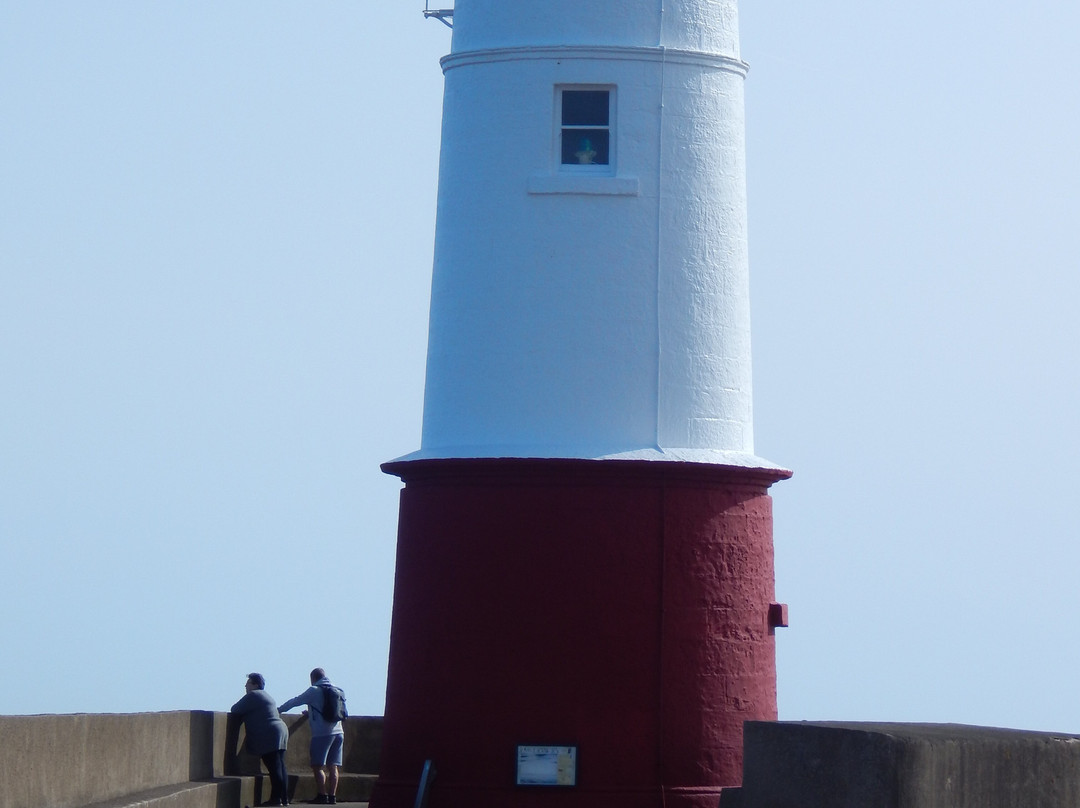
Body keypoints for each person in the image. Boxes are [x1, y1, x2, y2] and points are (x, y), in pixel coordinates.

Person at [278, 668, 346, 805]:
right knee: (333, 767)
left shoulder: (314, 690)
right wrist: (311, 714)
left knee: (318, 766)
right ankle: (332, 797)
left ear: (313, 678)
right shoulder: (338, 690)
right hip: (339, 732)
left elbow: (295, 701)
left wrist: (277, 710)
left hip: (322, 733)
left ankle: (322, 795)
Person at [230, 672, 290, 806]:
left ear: (255, 685)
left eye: (248, 683)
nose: (245, 686)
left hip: (270, 733)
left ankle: (276, 799)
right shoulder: (266, 696)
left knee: (274, 768)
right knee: (280, 766)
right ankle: (284, 798)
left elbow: (235, 709)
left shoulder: (254, 695)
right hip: (280, 730)